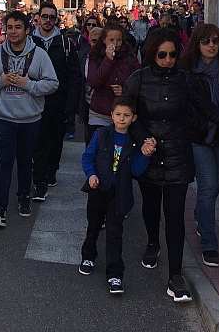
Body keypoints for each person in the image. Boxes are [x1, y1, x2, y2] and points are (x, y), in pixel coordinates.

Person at [123, 28, 219, 302]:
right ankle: (153, 242)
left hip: (178, 155)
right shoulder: (138, 80)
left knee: (176, 214)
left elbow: (208, 110)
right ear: (152, 54)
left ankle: (175, 275)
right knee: (151, 206)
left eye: (172, 54)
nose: (168, 59)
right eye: (162, 55)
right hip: (149, 155)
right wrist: (142, 138)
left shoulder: (186, 80)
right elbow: (127, 116)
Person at [0, 10, 58, 227]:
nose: (13, 31)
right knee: (4, 162)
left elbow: (53, 83)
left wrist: (30, 85)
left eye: (18, 27)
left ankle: (24, 195)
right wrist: (1, 82)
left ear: (27, 30)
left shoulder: (40, 55)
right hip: (3, 117)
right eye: (9, 27)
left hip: (30, 118)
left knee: (25, 160)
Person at [180, 24, 219, 267]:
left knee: (214, 187)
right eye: (206, 41)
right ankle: (209, 242)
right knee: (206, 187)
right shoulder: (188, 72)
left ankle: (200, 217)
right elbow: (196, 107)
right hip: (200, 137)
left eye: (215, 40)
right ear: (197, 44)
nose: (212, 46)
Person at [79, 97, 152, 294]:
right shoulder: (102, 134)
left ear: (133, 118)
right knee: (93, 225)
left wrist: (145, 156)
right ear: (111, 115)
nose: (121, 119)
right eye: (118, 114)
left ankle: (115, 274)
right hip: (98, 189)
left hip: (120, 193)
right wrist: (91, 174)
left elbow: (136, 171)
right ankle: (88, 255)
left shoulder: (133, 143)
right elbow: (87, 156)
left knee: (114, 232)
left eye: (126, 115)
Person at [31, 2, 82, 201]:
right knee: (38, 142)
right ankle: (40, 179)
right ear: (39, 17)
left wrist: (71, 106)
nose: (48, 21)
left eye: (52, 17)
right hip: (34, 100)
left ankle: (52, 169)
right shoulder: (29, 42)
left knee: (55, 141)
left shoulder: (66, 44)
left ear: (56, 20)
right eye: (45, 16)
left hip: (58, 103)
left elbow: (74, 77)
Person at [86, 22, 139, 146]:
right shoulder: (95, 56)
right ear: (104, 40)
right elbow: (94, 82)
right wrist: (108, 60)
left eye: (119, 40)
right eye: (111, 40)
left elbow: (139, 82)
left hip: (123, 114)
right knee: (99, 152)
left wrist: (125, 91)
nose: (115, 44)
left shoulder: (130, 57)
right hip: (100, 112)